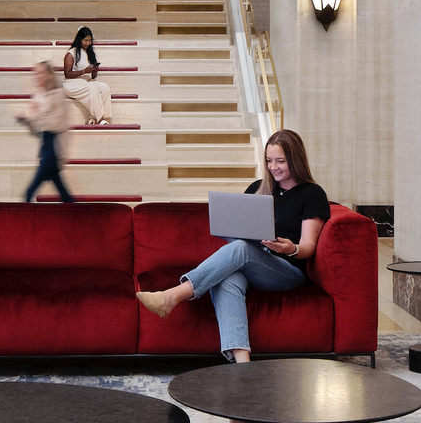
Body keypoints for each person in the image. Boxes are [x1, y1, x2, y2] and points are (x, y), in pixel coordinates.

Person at [136, 129, 329, 361]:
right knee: (227, 278)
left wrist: (291, 248)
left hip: (287, 271)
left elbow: (308, 246)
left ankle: (173, 296)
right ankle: (243, 368)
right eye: (269, 160)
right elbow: (242, 232)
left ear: (295, 160)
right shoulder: (258, 188)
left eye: (281, 161)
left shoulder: (312, 193)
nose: (273, 167)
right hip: (254, 263)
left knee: (242, 250)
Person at [15, 61, 78, 204]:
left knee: (30, 191)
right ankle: (78, 216)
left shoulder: (57, 95)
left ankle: (21, 215)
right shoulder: (38, 97)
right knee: (64, 193)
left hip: (54, 146)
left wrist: (38, 114)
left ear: (49, 75)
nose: (36, 76)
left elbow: (57, 124)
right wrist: (27, 121)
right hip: (45, 146)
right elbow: (36, 132)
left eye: (40, 73)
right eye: (35, 73)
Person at [61, 26, 113, 124]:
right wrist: (84, 71)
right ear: (79, 39)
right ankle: (100, 119)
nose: (88, 43)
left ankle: (95, 118)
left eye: (90, 40)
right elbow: (67, 74)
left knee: (105, 88)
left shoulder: (90, 53)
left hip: (86, 81)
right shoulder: (71, 53)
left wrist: (94, 72)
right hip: (71, 83)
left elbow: (93, 77)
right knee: (92, 87)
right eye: (85, 40)